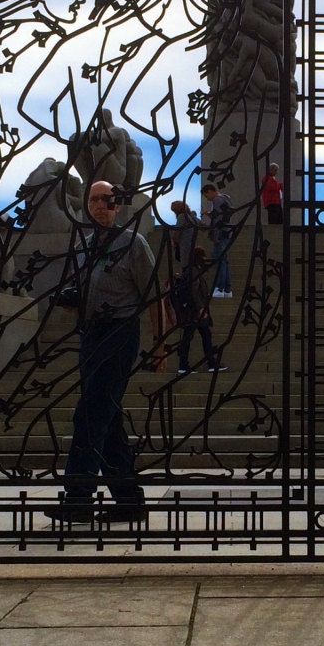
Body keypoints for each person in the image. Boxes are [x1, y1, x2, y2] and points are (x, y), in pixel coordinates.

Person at [53, 180, 157, 522]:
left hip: (122, 333)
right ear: (87, 205)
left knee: (90, 413)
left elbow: (154, 296)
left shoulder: (134, 243)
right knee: (107, 417)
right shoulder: (83, 247)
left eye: (107, 200)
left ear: (117, 206)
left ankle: (78, 496)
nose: (101, 205)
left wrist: (161, 345)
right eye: (95, 199)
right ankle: (128, 499)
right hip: (92, 334)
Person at [170, 247, 225, 373]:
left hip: (191, 311)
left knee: (191, 336)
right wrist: (200, 308)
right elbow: (193, 291)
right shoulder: (194, 272)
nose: (205, 259)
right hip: (194, 312)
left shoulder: (190, 271)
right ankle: (209, 363)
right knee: (202, 335)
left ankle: (185, 365)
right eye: (203, 257)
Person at [202, 183, 235, 298]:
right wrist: (210, 214)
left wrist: (215, 236)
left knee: (220, 261)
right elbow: (223, 216)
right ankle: (227, 289)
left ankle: (220, 288)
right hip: (227, 232)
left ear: (210, 191)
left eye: (206, 196)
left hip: (221, 233)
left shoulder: (217, 200)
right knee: (224, 261)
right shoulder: (226, 198)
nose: (208, 199)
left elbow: (218, 220)